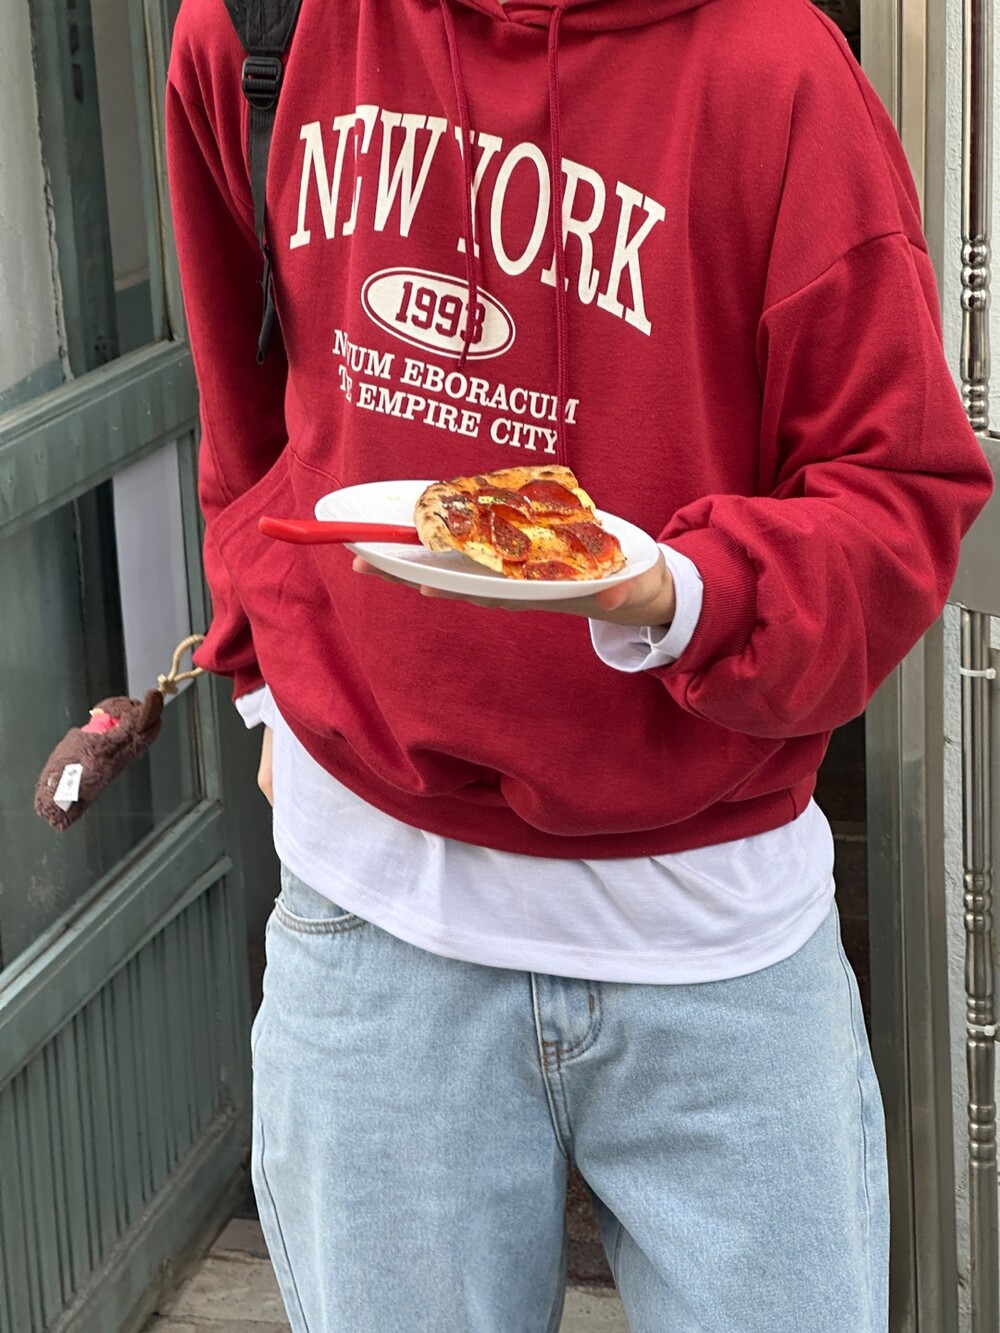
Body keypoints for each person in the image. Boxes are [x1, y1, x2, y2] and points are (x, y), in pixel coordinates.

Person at [166, 0, 992, 1329]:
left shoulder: (778, 71)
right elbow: (240, 405)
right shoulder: (261, 28)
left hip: (715, 945)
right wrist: (264, 676)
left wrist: (684, 590)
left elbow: (897, 495)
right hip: (371, 926)